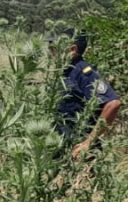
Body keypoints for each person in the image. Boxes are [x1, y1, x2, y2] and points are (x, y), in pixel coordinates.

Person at [50, 30, 122, 159]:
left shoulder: (85, 73)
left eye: (54, 48)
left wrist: (88, 142)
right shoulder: (66, 71)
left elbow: (113, 103)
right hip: (61, 145)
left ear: (72, 49)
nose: (51, 52)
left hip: (78, 150)